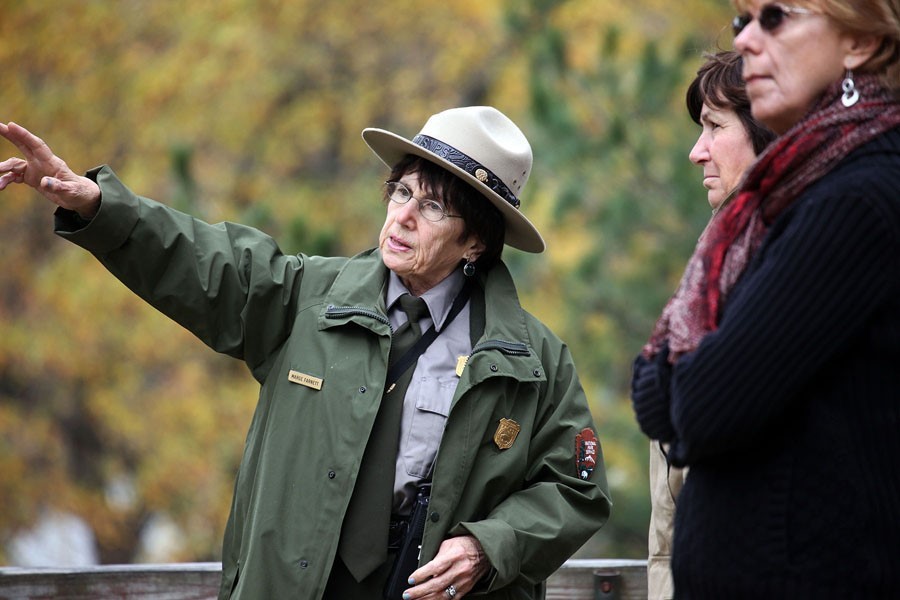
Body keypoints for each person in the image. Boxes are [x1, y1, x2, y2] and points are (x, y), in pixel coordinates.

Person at [0, 106, 611, 600]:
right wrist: (99, 207)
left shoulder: (534, 360)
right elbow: (202, 261)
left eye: (431, 206)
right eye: (401, 192)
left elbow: (576, 491)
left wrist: (489, 546)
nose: (402, 217)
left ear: (476, 238)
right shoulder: (305, 297)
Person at [632, 0, 900, 596]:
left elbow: (699, 407)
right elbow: (654, 404)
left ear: (858, 41)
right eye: (742, 21)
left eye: (775, 17)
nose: (749, 38)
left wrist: (681, 381)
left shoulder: (850, 202)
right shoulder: (772, 214)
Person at [645, 49, 775, 600]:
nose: (696, 152)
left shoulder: (787, 261)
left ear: (768, 133)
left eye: (714, 127)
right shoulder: (721, 255)